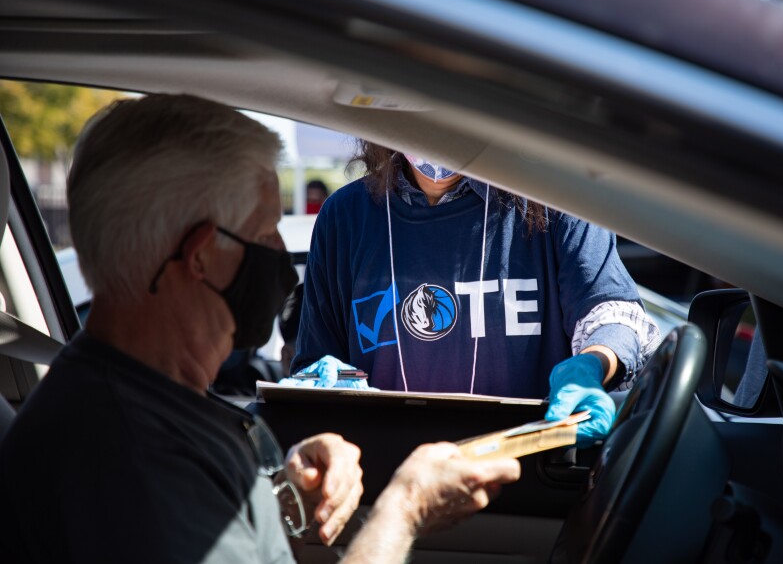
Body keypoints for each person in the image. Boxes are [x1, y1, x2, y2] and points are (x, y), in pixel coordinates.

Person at [0, 95, 520, 564]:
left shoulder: (147, 408)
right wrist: (403, 510)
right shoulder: (132, 463)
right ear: (202, 254)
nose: (282, 257)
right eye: (264, 230)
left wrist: (281, 498)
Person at [293, 142, 661, 446]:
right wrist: (324, 383)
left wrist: (593, 364)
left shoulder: (556, 202)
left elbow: (612, 311)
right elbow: (315, 365)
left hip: (524, 473)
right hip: (388, 479)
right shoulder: (345, 217)